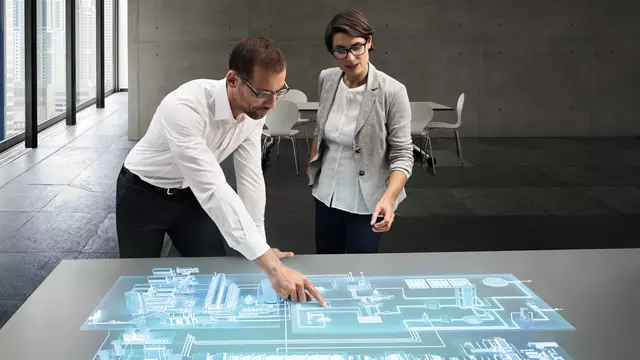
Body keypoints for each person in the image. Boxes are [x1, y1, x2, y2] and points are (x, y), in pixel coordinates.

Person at [116, 36, 325, 306]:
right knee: (137, 284)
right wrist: (273, 268)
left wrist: (261, 249)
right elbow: (214, 189)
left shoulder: (253, 114)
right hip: (141, 194)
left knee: (214, 273)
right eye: (262, 93)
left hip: (189, 195)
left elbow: (251, 179)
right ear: (233, 80)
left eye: (278, 92)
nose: (272, 104)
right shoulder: (183, 107)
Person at [307, 10, 414, 254]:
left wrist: (389, 198)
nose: (350, 57)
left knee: (362, 273)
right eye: (341, 50)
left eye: (357, 47)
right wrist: (312, 163)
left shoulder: (392, 91)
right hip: (326, 195)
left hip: (368, 201)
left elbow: (403, 155)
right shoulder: (327, 79)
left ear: (369, 42)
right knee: (326, 264)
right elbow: (319, 128)